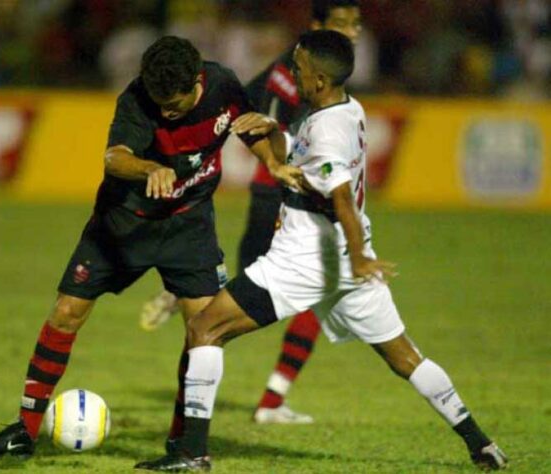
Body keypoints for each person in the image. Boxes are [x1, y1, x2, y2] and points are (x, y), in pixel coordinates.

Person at [135, 30, 508, 472]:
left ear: (318, 81)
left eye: (300, 69)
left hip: (307, 257)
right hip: (346, 262)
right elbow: (311, 160)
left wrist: (357, 251)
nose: (293, 74)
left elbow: (341, 195)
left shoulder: (328, 128)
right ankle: (480, 444)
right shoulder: (345, 110)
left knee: (204, 329)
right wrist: (276, 131)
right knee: (406, 357)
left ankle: (192, 452)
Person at [0, 35, 303, 459]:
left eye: (175, 104)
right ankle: (25, 427)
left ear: (198, 83)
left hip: (189, 226)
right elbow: (114, 157)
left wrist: (273, 161)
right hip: (123, 224)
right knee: (66, 312)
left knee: (203, 331)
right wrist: (150, 167)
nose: (166, 112)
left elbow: (248, 126)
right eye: (159, 102)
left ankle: (182, 444)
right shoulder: (136, 99)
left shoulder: (223, 83)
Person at [139, 0, 363, 425]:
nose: (352, 32)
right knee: (316, 294)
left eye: (356, 24)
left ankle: (193, 286)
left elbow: (244, 102)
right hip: (288, 196)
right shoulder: (308, 75)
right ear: (316, 26)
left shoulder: (289, 66)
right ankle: (270, 400)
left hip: (273, 192)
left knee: (254, 286)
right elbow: (261, 118)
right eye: (342, 24)